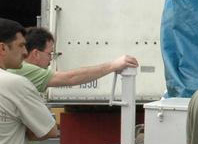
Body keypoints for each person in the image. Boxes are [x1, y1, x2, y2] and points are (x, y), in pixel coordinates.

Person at [7, 26, 138, 95]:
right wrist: (113, 65)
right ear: (36, 54)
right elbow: (70, 78)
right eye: (49, 53)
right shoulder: (24, 69)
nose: (51, 59)